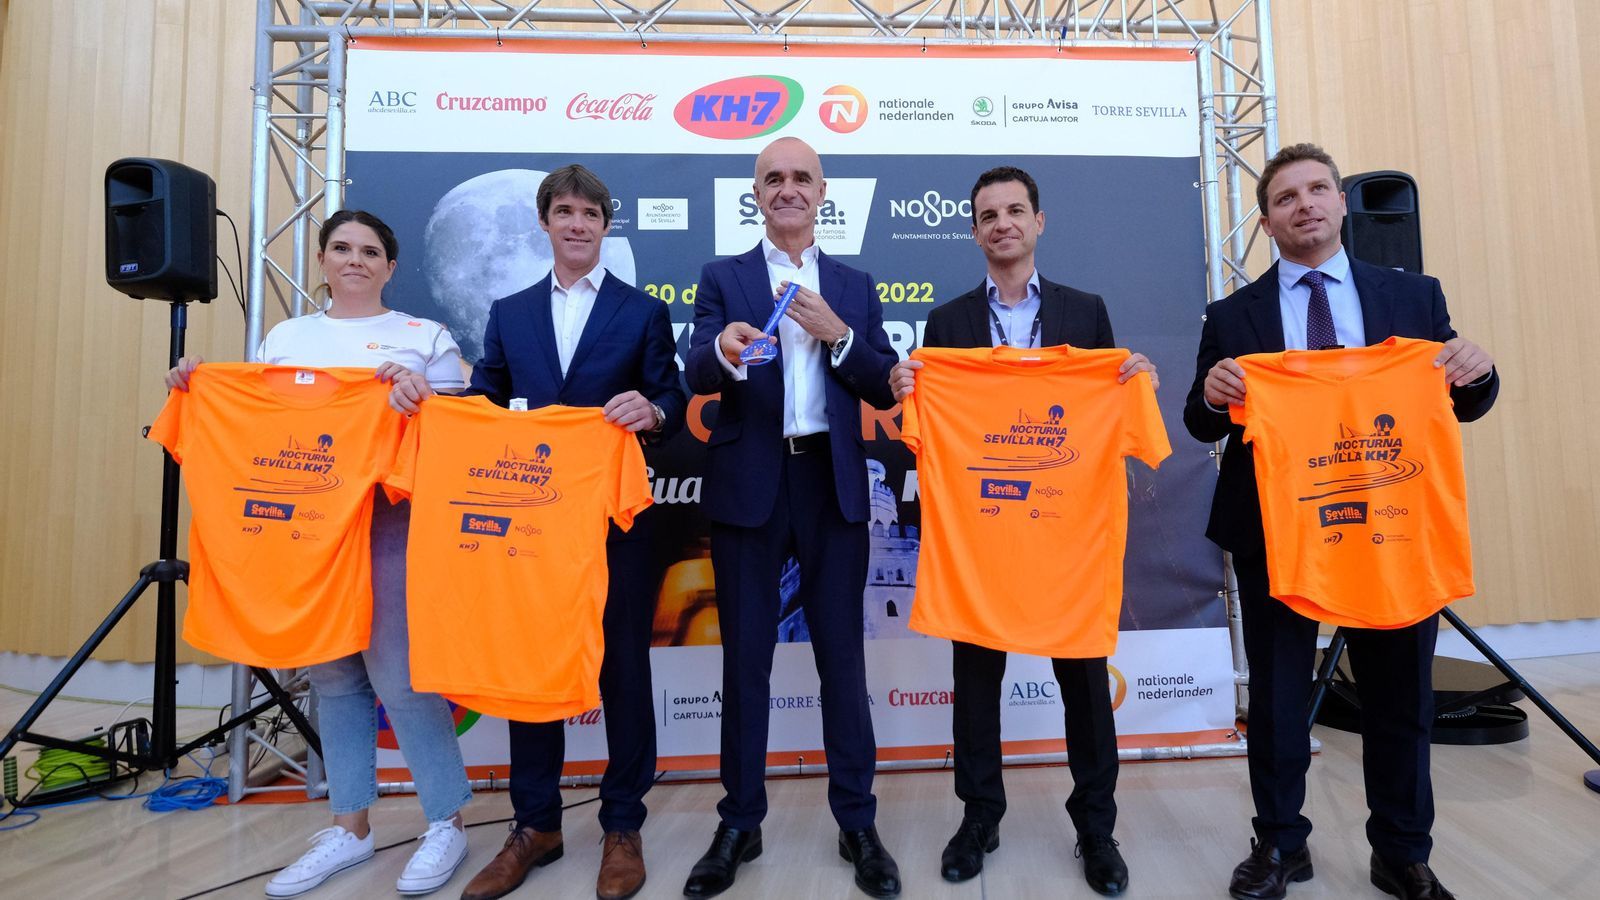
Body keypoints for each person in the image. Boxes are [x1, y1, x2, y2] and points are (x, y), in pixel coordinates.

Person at [1182, 143, 1496, 900]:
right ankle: (1282, 846)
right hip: (1275, 536)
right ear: (1266, 222)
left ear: (1340, 202)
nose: (1306, 205)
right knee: (1281, 699)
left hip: (1390, 525)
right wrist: (1215, 390)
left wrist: (1478, 372)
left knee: (1398, 697)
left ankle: (1402, 852)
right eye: (1286, 197)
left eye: (1318, 189)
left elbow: (1459, 402)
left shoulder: (1414, 297)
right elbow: (1200, 422)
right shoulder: (1233, 315)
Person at [391, 163, 686, 900]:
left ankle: (623, 824)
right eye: (565, 211)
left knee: (621, 669)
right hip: (525, 527)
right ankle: (537, 826)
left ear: (605, 224)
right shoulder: (510, 311)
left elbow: (672, 393)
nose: (578, 223)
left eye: (591, 212)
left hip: (613, 524)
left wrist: (653, 411)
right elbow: (486, 400)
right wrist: (432, 403)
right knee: (527, 670)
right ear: (545, 222)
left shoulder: (643, 312)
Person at [166, 209, 474, 897]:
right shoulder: (287, 338)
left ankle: (445, 822)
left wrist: (422, 398)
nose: (355, 260)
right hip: (305, 531)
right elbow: (257, 421)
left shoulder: (423, 337)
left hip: (391, 523)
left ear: (391, 267)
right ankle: (351, 828)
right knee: (334, 678)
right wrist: (198, 384)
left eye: (370, 250)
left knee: (400, 677)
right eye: (341, 248)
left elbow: (463, 430)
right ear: (323, 259)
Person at [888, 166, 1156, 897]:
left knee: (1085, 685)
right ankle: (980, 816)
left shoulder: (1085, 311)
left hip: (1066, 538)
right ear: (973, 231)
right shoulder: (947, 325)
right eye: (987, 214)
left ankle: (1096, 829)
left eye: (1014, 211)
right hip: (982, 537)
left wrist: (1131, 375)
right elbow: (928, 430)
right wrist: (908, 391)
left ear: (1040, 222)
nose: (1001, 223)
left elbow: (1106, 408)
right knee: (974, 682)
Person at [681, 136, 901, 899]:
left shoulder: (853, 283)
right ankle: (739, 823)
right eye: (773, 178)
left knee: (843, 662)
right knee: (745, 662)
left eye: (800, 176)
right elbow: (695, 370)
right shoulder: (725, 277)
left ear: (821, 192)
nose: (787, 188)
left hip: (830, 487)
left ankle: (858, 823)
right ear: (756, 193)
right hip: (749, 485)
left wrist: (839, 334)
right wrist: (724, 346)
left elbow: (883, 389)